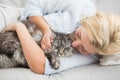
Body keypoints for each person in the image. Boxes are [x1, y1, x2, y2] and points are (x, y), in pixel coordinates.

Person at [3, 0, 100, 74]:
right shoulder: (81, 6)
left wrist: (19, 28)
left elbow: (42, 66)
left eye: (83, 49)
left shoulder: (92, 56)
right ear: (86, 22)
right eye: (79, 35)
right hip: (15, 17)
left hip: (20, 36)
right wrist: (46, 29)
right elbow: (33, 5)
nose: (74, 44)